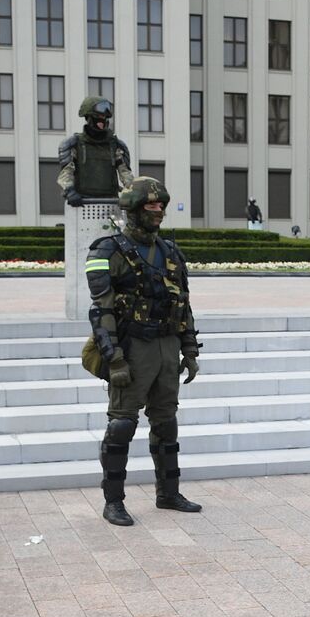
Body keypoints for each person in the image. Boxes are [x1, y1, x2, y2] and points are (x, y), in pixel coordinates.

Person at [85, 177, 202, 523]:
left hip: (167, 346)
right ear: (134, 209)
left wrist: (189, 350)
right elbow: (101, 310)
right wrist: (114, 359)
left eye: (161, 205)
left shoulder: (171, 252)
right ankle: (113, 501)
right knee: (122, 425)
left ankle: (168, 493)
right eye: (151, 205)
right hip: (132, 348)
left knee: (166, 423)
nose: (159, 210)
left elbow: (183, 304)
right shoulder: (106, 251)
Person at [58, 96, 133, 205]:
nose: (102, 121)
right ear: (89, 118)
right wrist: (69, 190)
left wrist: (133, 191)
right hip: (82, 203)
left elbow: (125, 173)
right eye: (98, 117)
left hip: (110, 201)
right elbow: (66, 171)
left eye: (104, 118)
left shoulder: (115, 144)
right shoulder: (75, 144)